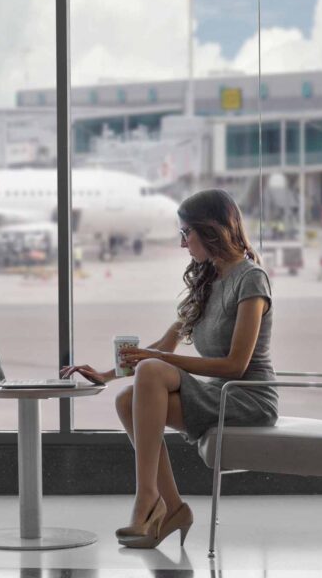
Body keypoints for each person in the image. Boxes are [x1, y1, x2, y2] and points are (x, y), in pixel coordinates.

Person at [61, 189, 278, 548]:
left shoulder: (250, 279)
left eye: (185, 233)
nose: (182, 244)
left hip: (247, 398)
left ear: (211, 231)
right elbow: (162, 348)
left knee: (150, 372)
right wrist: (106, 374)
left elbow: (236, 365)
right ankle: (173, 508)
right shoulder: (209, 279)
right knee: (126, 401)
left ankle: (147, 500)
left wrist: (156, 361)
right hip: (219, 393)